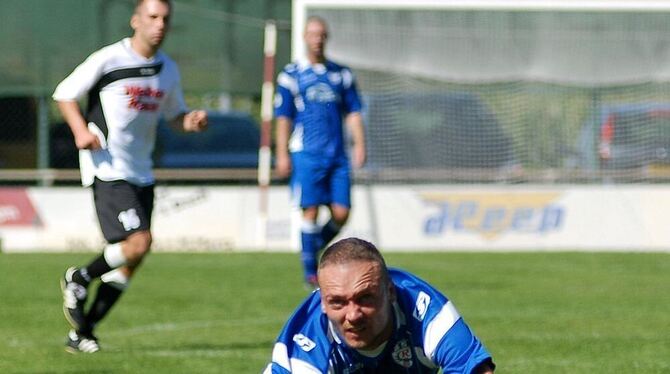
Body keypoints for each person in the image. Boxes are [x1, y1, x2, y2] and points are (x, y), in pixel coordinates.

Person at [52, 0, 208, 353]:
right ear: (135, 20)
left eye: (165, 19)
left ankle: (83, 333)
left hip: (142, 171)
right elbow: (64, 94)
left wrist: (191, 122)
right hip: (108, 166)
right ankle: (79, 277)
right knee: (138, 241)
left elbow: (174, 117)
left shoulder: (167, 69)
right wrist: (80, 131)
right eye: (152, 17)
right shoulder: (110, 59)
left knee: (132, 259)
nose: (159, 25)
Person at [264, 237, 495, 373]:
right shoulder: (303, 349)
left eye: (365, 298)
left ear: (391, 292)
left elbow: (476, 369)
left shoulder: (428, 313)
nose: (353, 315)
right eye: (338, 302)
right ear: (323, 303)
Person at [274, 16, 366, 288]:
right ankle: (309, 272)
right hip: (306, 154)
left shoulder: (341, 74)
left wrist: (360, 144)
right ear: (304, 37)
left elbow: (353, 113)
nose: (317, 39)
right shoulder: (291, 75)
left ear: (327, 37)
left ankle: (310, 247)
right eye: (312, 34)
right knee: (310, 211)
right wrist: (281, 153)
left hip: (337, 155)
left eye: (322, 34)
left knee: (342, 212)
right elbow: (283, 117)